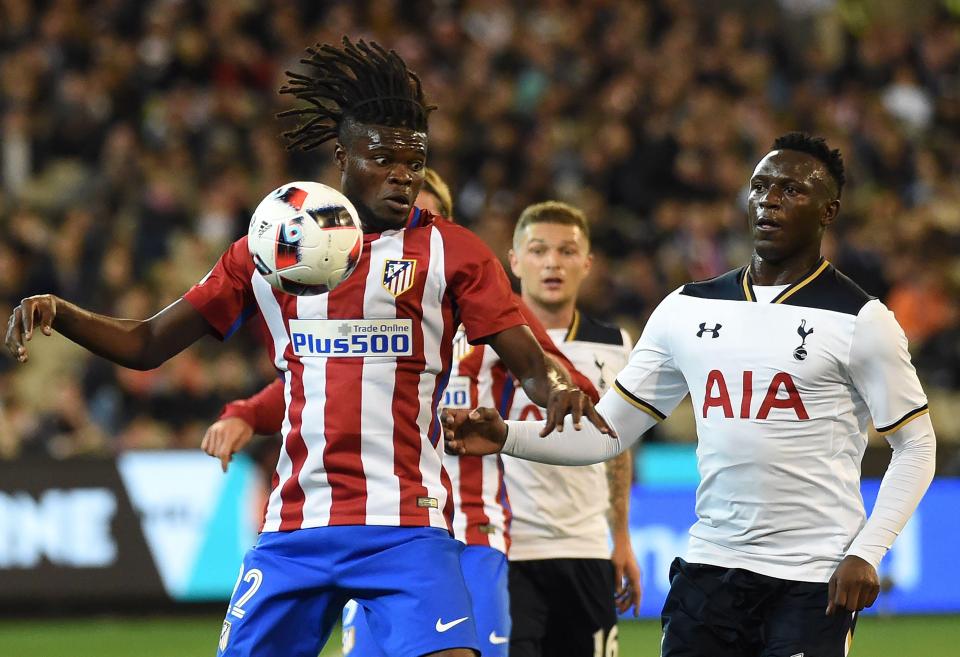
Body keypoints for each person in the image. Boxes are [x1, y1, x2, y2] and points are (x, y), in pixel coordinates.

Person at [5, 38, 609, 657]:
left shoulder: (454, 253)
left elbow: (531, 364)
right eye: (384, 159)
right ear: (342, 156)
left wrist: (558, 388)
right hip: (296, 526)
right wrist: (64, 313)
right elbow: (148, 343)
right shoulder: (270, 248)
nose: (403, 175)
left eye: (414, 162)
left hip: (407, 527)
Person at [444, 133, 937, 657]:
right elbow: (605, 434)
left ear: (828, 211)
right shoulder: (687, 307)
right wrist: (504, 435)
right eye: (761, 187)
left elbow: (917, 446)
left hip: (810, 578)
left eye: (791, 190)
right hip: (709, 571)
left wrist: (867, 552)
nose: (769, 199)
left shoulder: (862, 320)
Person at [202, 171, 604, 657]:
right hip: (380, 524)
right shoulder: (361, 292)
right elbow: (314, 383)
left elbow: (556, 375)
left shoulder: (492, 305)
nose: (400, 229)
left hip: (471, 526)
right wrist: (244, 413)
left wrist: (548, 399)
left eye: (418, 214)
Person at [502, 201, 640, 657]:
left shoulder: (615, 344)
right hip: (505, 551)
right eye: (539, 250)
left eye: (567, 251)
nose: (552, 263)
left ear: (587, 264)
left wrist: (620, 537)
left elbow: (617, 446)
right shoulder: (478, 341)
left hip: (586, 548)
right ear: (515, 260)